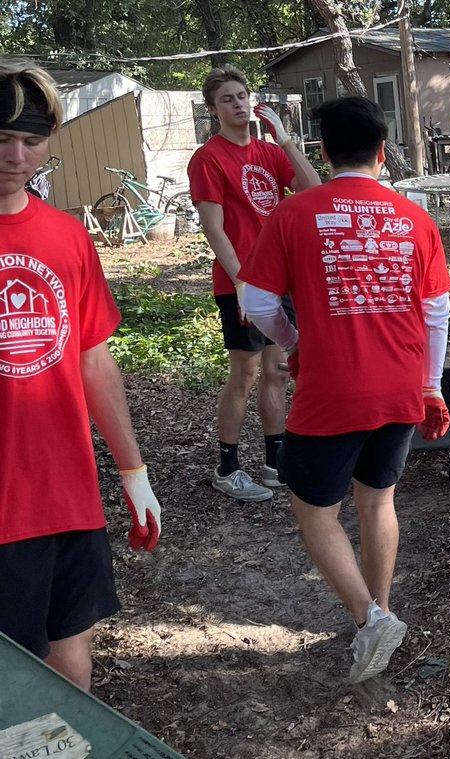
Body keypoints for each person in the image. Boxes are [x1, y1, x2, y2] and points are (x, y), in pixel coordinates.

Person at [240, 96, 450, 683]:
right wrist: (432, 387)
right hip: (404, 386)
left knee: (314, 512)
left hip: (332, 389)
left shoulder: (293, 213)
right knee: (377, 501)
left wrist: (294, 338)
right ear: (383, 153)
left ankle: (369, 619)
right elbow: (437, 312)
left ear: (324, 151)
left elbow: (256, 302)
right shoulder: (416, 219)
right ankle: (378, 615)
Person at [0, 63, 162, 690]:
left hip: (67, 495)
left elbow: (93, 358)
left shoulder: (68, 237)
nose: (17, 156)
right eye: (1, 138)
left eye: (32, 141)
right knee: (12, 678)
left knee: (71, 657)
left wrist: (133, 470)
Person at [188, 65, 321, 502]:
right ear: (213, 109)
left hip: (280, 279)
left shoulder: (268, 152)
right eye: (228, 98)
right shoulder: (209, 158)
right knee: (244, 374)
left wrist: (283, 136)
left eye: (243, 95)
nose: (240, 103)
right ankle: (227, 468)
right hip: (241, 282)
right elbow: (214, 229)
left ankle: (274, 462)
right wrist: (243, 283)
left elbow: (312, 189)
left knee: (277, 371)